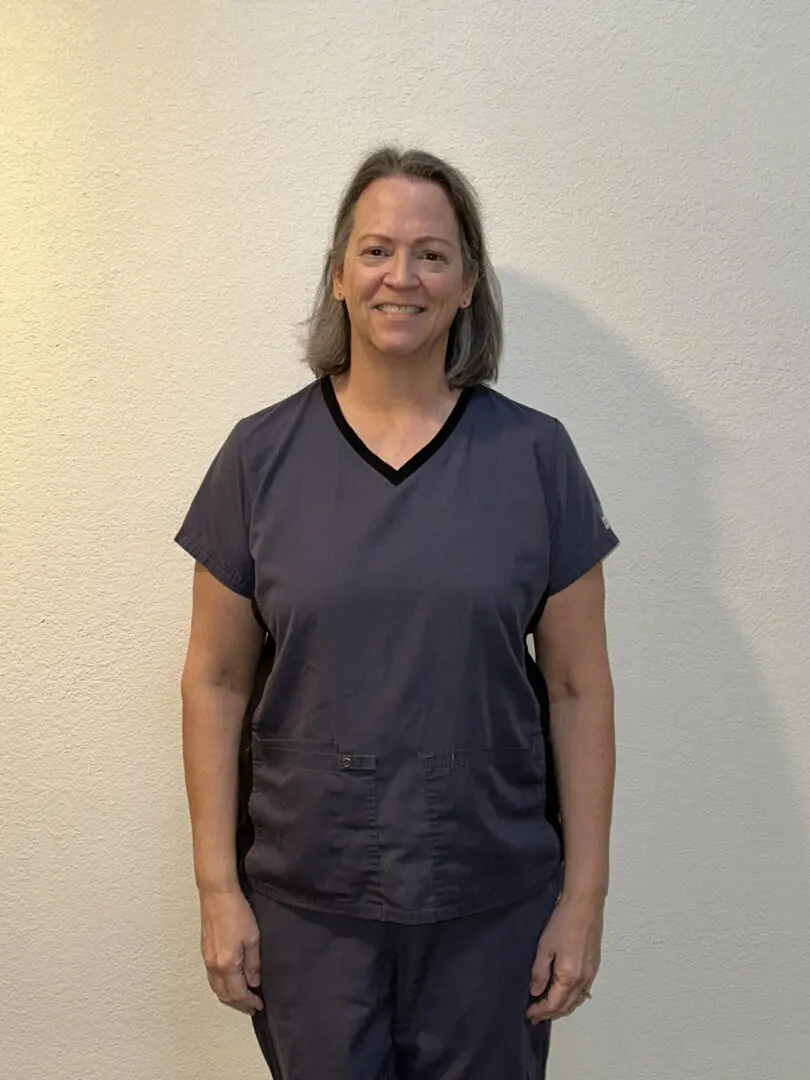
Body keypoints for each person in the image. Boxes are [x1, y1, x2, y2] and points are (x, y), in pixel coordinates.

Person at [175, 146, 619, 1080]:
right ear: (338, 276)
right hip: (309, 906)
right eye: (376, 251)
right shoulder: (259, 460)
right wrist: (218, 888)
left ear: (467, 285)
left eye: (432, 254)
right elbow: (215, 681)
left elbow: (579, 690)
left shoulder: (537, 459)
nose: (401, 276)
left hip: (492, 902)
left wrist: (583, 899)